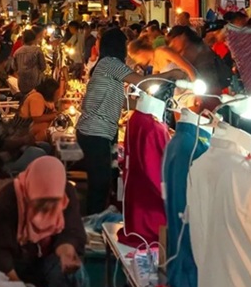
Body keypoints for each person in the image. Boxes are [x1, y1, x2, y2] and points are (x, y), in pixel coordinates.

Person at [75, 28, 186, 214]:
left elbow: (121, 100)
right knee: (99, 184)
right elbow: (142, 82)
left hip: (101, 132)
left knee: (108, 179)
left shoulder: (105, 66)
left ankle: (100, 218)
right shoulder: (110, 64)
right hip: (96, 132)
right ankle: (90, 224)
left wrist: (147, 105)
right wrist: (170, 75)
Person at [0, 156, 88, 287]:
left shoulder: (66, 193)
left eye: (53, 201)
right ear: (30, 192)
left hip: (46, 260)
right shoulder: (9, 198)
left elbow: (71, 230)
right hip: (14, 264)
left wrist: (66, 253)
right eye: (41, 201)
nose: (47, 207)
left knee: (74, 276)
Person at [8, 29, 47, 98]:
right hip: (36, 83)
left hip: (22, 84)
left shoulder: (17, 52)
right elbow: (43, 67)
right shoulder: (37, 50)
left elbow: (14, 67)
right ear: (34, 39)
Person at [20, 78, 61, 143]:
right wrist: (55, 115)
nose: (58, 96)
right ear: (51, 92)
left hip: (29, 126)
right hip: (23, 127)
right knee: (45, 127)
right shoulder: (37, 97)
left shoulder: (43, 97)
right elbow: (37, 118)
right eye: (57, 93)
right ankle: (37, 144)